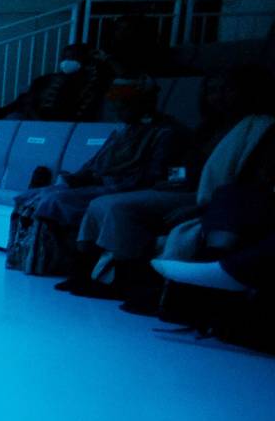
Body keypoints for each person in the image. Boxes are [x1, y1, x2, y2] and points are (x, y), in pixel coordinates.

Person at [73, 67, 275, 295]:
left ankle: (121, 279)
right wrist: (175, 181)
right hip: (188, 190)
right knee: (102, 203)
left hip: (214, 199)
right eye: (212, 90)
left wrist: (201, 207)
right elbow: (187, 168)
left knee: (117, 206)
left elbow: (250, 189)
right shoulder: (207, 128)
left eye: (227, 89)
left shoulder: (260, 129)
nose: (218, 96)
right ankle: (94, 272)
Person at [7, 87, 184, 281]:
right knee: (29, 197)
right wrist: (74, 178)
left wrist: (99, 179)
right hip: (96, 182)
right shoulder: (122, 130)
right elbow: (94, 163)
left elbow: (151, 175)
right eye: (115, 105)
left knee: (54, 200)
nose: (117, 110)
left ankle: (57, 263)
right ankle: (29, 260)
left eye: (123, 105)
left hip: (122, 186)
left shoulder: (164, 132)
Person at [0, 42, 109, 121]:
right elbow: (27, 100)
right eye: (65, 57)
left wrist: (104, 59)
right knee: (9, 117)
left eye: (72, 57)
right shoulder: (46, 79)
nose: (67, 61)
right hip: (34, 117)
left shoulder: (89, 81)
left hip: (60, 122)